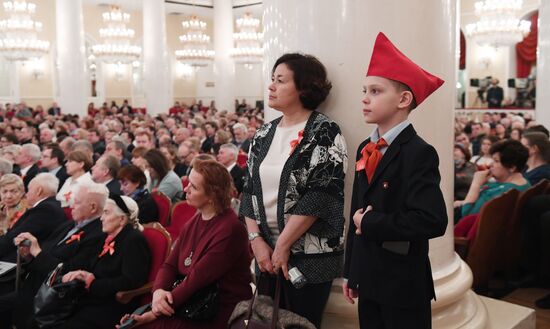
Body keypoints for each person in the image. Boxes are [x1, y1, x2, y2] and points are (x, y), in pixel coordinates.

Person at [342, 33, 447, 329]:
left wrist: (371, 224)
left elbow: (432, 220)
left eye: (375, 91)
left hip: (402, 283)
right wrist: (351, 271)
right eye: (364, 90)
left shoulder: (419, 153)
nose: (364, 98)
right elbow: (356, 211)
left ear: (403, 99)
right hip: (369, 277)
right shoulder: (367, 146)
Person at [240, 53, 347, 328]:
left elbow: (320, 196)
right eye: (272, 80)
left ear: (303, 88)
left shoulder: (324, 132)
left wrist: (283, 246)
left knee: (300, 324)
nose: (271, 86)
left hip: (308, 259)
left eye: (280, 80)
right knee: (263, 321)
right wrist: (257, 242)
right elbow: (249, 189)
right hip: (265, 255)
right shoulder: (264, 134)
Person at [119, 160, 251, 329]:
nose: (185, 189)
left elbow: (197, 279)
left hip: (214, 310)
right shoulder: (197, 218)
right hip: (187, 300)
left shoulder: (231, 229)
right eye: (188, 183)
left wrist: (154, 312)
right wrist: (158, 291)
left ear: (212, 195)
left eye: (194, 187)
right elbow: (169, 265)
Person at [3, 182, 108, 329]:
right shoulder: (70, 224)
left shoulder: (97, 235)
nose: (71, 206)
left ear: (93, 207)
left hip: (52, 300)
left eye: (76, 202)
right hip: (32, 288)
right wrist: (27, 254)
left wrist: (37, 252)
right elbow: (44, 252)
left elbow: (68, 272)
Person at [48, 194, 150, 328]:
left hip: (112, 305)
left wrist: (93, 282)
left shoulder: (133, 240)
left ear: (122, 219)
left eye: (106, 213)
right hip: (91, 298)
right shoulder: (107, 236)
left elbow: (131, 280)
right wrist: (81, 273)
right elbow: (90, 264)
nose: (101, 218)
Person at [455, 139, 530, 222]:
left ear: (512, 167)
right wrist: (464, 202)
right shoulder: (523, 183)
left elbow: (466, 215)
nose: (491, 164)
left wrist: (476, 184)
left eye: (496, 161)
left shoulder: (502, 193)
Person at [0, 173, 66, 263]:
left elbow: (16, 237)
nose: (26, 194)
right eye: (4, 191)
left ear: (39, 191)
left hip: (20, 261)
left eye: (29, 190)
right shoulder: (48, 206)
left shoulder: (45, 209)